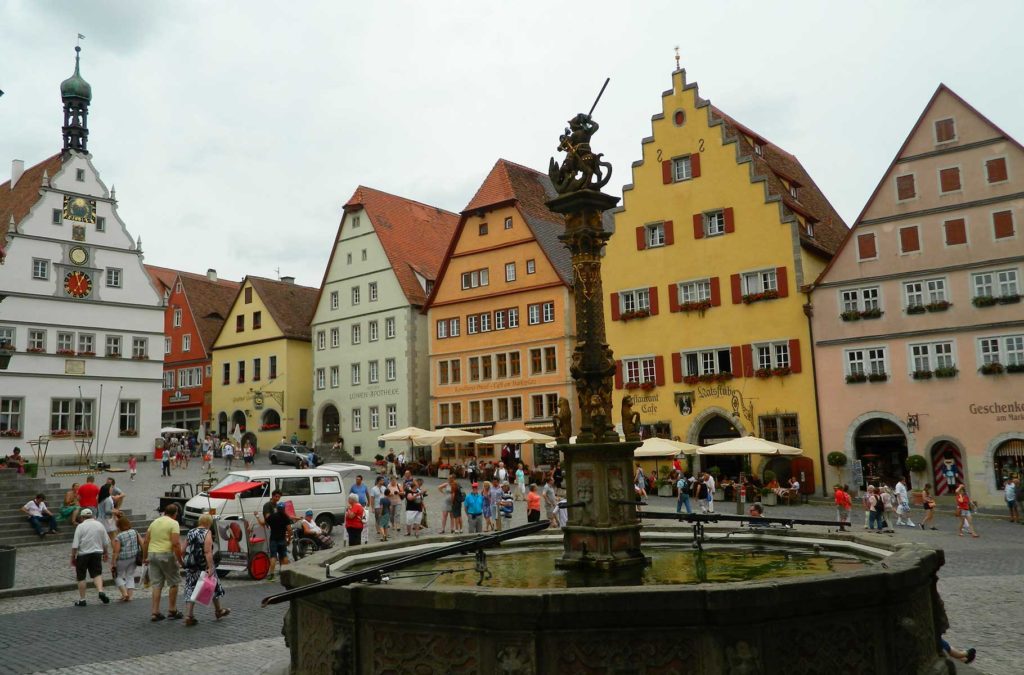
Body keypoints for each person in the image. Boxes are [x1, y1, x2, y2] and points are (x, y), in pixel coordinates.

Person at [182, 514, 230, 626]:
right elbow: (207, 551)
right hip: (203, 564)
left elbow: (182, 549)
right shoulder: (207, 533)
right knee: (213, 585)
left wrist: (183, 561)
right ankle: (219, 611)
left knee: (190, 588)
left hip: (192, 565)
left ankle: (189, 615)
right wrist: (210, 567)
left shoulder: (191, 532)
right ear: (209, 523)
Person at [142, 503, 184, 620]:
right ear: (175, 514)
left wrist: (145, 557)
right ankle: (172, 609)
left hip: (152, 554)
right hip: (166, 554)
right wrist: (180, 560)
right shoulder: (174, 523)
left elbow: (146, 541)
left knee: (156, 584)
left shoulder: (154, 522)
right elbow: (175, 543)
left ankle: (155, 612)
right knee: (174, 582)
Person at [71, 509, 111, 606]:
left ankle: (82, 599)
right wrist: (106, 553)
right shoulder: (99, 525)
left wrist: (73, 557)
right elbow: (105, 542)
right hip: (97, 553)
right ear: (92, 516)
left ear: (82, 517)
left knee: (81, 577)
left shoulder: (80, 526)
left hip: (83, 554)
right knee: (97, 574)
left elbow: (75, 545)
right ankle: (100, 591)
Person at [110, 514, 141, 602]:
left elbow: (116, 551)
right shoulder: (135, 532)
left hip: (122, 559)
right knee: (130, 576)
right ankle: (130, 596)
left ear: (119, 526)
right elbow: (142, 543)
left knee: (117, 576)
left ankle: (124, 593)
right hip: (134, 557)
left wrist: (113, 562)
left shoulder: (119, 536)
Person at [264, 502, 293, 579]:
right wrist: (289, 539)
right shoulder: (285, 517)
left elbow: (265, 522)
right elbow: (289, 530)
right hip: (282, 539)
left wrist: (257, 516)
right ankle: (285, 573)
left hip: (273, 539)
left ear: (276, 508)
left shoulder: (272, 516)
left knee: (273, 556)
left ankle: (272, 575)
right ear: (284, 509)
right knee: (284, 555)